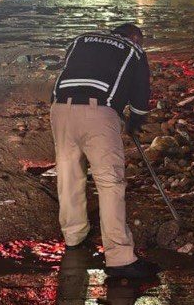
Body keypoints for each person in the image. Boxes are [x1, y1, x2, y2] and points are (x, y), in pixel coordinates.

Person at [50, 23, 159, 279]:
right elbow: (141, 96)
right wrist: (135, 121)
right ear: (135, 37)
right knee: (110, 183)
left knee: (69, 174)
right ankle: (120, 258)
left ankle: (74, 235)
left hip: (59, 109)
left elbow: (69, 72)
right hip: (98, 113)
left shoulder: (81, 39)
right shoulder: (133, 50)